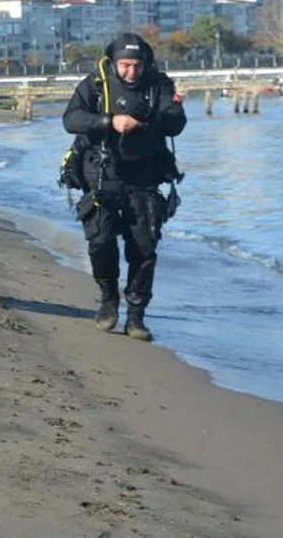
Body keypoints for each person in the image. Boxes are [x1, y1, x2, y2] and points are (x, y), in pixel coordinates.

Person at [62, 32, 187, 341]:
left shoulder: (158, 84)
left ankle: (136, 315)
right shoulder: (96, 83)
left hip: (144, 177)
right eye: (125, 65)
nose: (132, 72)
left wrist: (144, 119)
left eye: (137, 65)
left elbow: (176, 122)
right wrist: (108, 121)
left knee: (143, 249)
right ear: (114, 62)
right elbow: (71, 119)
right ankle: (108, 299)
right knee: (100, 242)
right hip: (102, 174)